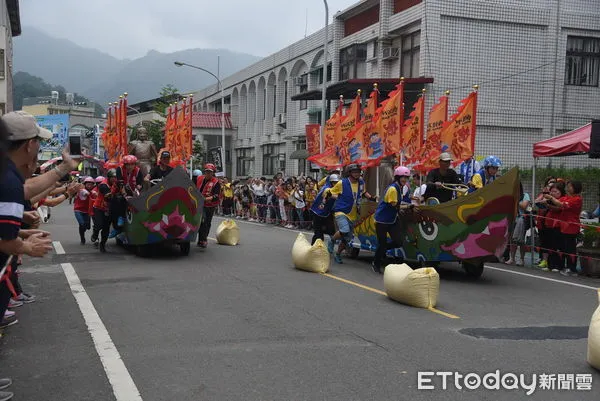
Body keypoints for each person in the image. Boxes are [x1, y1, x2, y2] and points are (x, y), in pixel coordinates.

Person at [325, 164, 376, 264]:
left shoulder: (361, 182)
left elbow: (364, 192)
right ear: (350, 173)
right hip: (341, 211)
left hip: (353, 213)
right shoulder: (342, 183)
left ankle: (338, 254)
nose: (357, 174)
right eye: (354, 172)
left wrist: (372, 198)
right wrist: (327, 198)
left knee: (347, 239)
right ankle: (332, 241)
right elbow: (331, 191)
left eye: (358, 172)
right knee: (344, 230)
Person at [372, 166, 418, 273]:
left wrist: (410, 203)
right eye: (402, 177)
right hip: (381, 220)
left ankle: (381, 251)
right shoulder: (393, 188)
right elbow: (395, 206)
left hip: (392, 219)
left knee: (399, 241)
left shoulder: (400, 187)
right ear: (397, 177)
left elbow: (401, 202)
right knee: (382, 244)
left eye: (406, 178)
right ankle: (376, 263)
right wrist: (409, 207)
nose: (404, 180)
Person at [547, 180, 583, 276]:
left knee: (571, 249)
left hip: (572, 226)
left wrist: (551, 197)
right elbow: (558, 203)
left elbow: (561, 204)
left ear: (576, 187)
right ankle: (567, 267)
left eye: (570, 186)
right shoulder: (567, 197)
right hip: (564, 226)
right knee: (566, 248)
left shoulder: (577, 199)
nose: (568, 188)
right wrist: (548, 202)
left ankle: (572, 268)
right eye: (568, 186)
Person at [505, 183, 531, 266]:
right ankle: (512, 258)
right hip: (512, 219)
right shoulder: (510, 196)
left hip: (521, 220)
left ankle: (522, 259)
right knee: (512, 240)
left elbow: (524, 206)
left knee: (521, 240)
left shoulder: (525, 195)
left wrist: (516, 200)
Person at [196, 163, 221, 248]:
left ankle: (203, 239)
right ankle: (202, 239)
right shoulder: (199, 178)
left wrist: (206, 199)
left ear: (213, 173)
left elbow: (216, 196)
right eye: (207, 171)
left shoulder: (216, 182)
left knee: (207, 222)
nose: (208, 173)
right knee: (202, 221)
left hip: (210, 205)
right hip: (199, 204)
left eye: (210, 172)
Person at [311, 174, 340, 245]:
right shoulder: (326, 188)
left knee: (330, 230)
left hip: (326, 213)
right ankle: (313, 248)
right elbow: (332, 195)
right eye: (334, 182)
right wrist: (343, 197)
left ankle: (330, 246)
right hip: (317, 213)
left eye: (337, 182)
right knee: (318, 234)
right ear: (330, 182)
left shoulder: (336, 189)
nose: (335, 184)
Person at [74, 177, 96, 245]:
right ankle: (82, 238)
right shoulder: (82, 190)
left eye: (91, 184)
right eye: (88, 184)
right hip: (78, 210)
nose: (89, 186)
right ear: (85, 185)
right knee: (82, 224)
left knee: (88, 227)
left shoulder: (93, 191)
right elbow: (85, 193)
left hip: (87, 211)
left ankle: (83, 233)